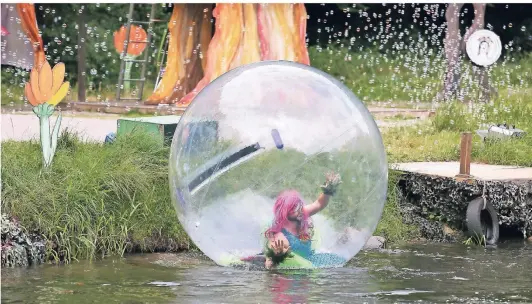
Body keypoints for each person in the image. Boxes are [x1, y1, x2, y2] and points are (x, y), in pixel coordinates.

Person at [263, 171, 346, 269]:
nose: (299, 210)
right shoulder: (278, 234)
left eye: (299, 206)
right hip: (292, 272)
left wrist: (328, 189)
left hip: (310, 262)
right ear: (285, 211)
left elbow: (319, 204)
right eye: (294, 208)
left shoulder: (300, 214)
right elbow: (268, 265)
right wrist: (276, 257)